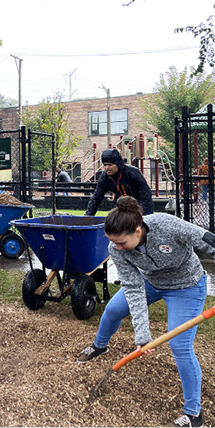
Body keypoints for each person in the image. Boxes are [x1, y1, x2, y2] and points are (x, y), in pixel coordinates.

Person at [74, 196, 215, 427]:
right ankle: (100, 346)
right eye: (114, 243)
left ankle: (193, 415)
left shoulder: (165, 224)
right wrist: (142, 334)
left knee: (180, 346)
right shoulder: (116, 246)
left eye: (122, 243)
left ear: (138, 231)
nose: (117, 248)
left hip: (186, 285)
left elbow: (206, 240)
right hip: (150, 282)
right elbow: (132, 287)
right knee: (112, 311)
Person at [86, 148, 153, 216]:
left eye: (110, 165)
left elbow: (144, 196)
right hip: (122, 204)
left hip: (139, 201)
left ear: (118, 164)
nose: (107, 168)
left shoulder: (133, 173)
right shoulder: (104, 177)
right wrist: (87, 218)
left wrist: (143, 217)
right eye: (105, 165)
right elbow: (96, 198)